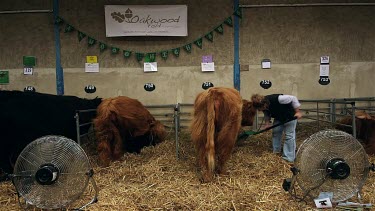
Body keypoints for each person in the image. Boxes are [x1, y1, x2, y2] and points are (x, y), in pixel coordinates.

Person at [251, 94, 303, 163]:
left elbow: (293, 98)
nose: (260, 110)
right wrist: (267, 124)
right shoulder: (264, 107)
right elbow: (266, 113)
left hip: (290, 116)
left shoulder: (279, 99)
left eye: (259, 109)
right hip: (279, 117)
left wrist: (298, 112)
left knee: (289, 136)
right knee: (276, 132)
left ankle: (288, 158)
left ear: (263, 104)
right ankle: (276, 152)